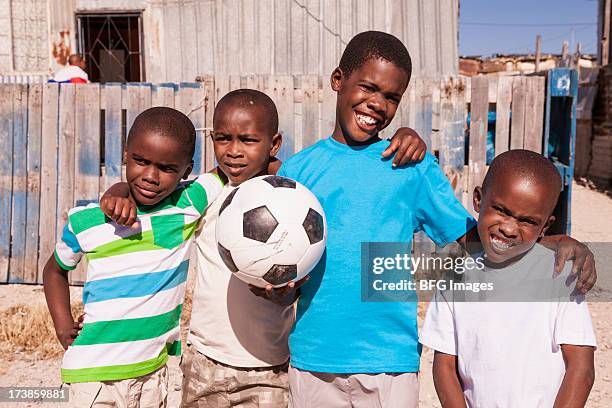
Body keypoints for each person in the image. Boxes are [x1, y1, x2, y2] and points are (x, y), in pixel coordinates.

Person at [265, 30, 597, 407]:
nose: (377, 104)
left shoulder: (409, 165)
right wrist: (277, 289)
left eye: (391, 97)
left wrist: (548, 243)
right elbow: (283, 269)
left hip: (390, 361)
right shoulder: (297, 172)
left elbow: (472, 239)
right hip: (314, 355)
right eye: (368, 88)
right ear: (338, 80)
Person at [100, 88, 427, 407]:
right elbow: (155, 191)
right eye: (223, 138)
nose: (234, 151)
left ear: (274, 144)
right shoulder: (206, 191)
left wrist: (407, 135)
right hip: (204, 360)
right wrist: (119, 189)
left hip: (269, 367)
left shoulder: (293, 194)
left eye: (248, 140)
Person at [43, 107, 224, 407]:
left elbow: (230, 167)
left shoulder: (187, 205)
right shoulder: (87, 221)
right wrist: (63, 328)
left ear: (186, 171)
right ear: (126, 155)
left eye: (166, 168)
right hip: (93, 378)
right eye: (141, 161)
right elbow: (54, 271)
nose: (151, 176)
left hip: (153, 375)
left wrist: (273, 164)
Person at [420, 149, 597, 407]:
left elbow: (581, 370)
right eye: (502, 211)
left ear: (545, 227)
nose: (509, 228)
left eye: (526, 221)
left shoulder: (561, 278)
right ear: (478, 200)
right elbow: (444, 366)